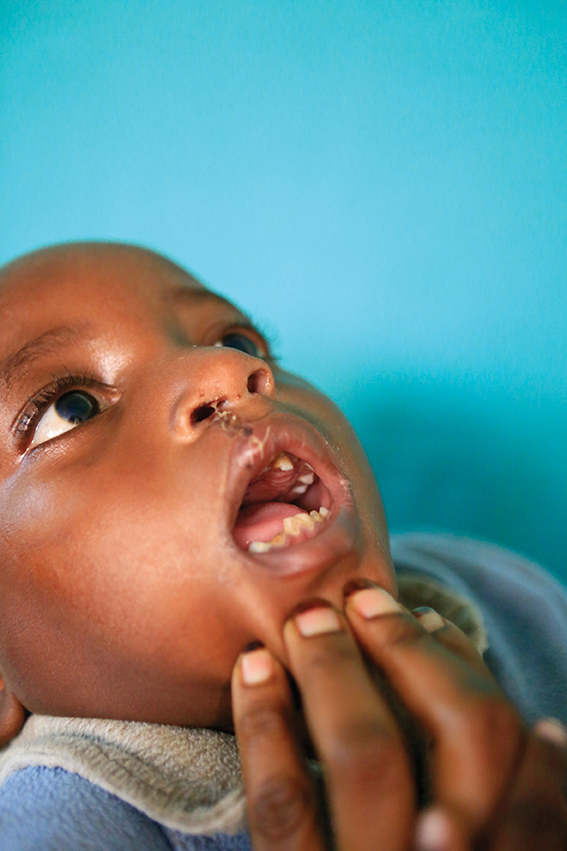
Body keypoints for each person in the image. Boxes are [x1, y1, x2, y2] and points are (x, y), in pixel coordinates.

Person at [0, 241, 565, 850]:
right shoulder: (52, 829)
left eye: (238, 341)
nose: (225, 369)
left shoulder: (504, 597)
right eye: (72, 409)